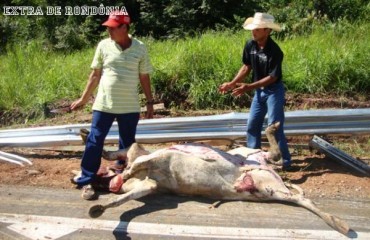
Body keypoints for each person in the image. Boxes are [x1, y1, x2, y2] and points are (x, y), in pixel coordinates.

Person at [70, 10, 154, 200]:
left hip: (130, 106)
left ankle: (120, 177)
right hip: (104, 104)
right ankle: (87, 180)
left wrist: (149, 102)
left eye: (113, 28)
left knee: (127, 144)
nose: (109, 31)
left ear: (124, 27)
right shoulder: (103, 46)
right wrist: (83, 99)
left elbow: (144, 77)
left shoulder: (140, 48)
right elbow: (95, 75)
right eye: (107, 28)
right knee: (94, 140)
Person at [219, 12, 291, 169]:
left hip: (273, 91)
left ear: (267, 31)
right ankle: (254, 158)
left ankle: (284, 161)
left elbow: (273, 77)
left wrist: (248, 87)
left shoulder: (275, 51)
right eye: (253, 28)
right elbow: (246, 67)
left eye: (258, 29)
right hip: (259, 92)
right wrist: (232, 83)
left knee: (274, 126)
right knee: (252, 125)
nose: (254, 31)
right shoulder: (250, 45)